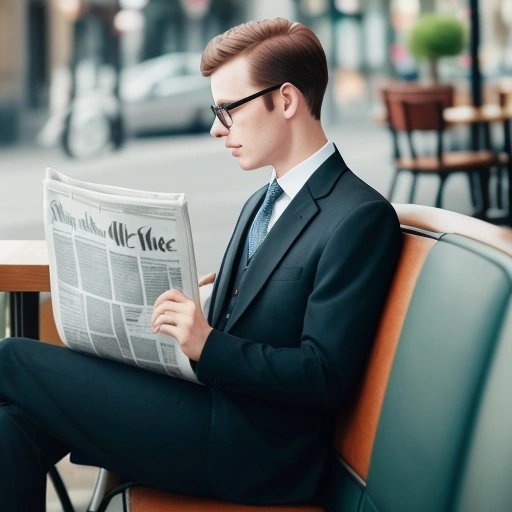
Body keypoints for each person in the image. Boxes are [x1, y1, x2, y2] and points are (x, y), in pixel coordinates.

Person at [0, 17, 402, 510]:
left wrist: (207, 343)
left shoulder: (359, 217)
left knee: (12, 358)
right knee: (15, 420)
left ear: (288, 100)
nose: (217, 128)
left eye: (229, 110)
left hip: (253, 450)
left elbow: (323, 375)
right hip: (209, 408)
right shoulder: (262, 200)